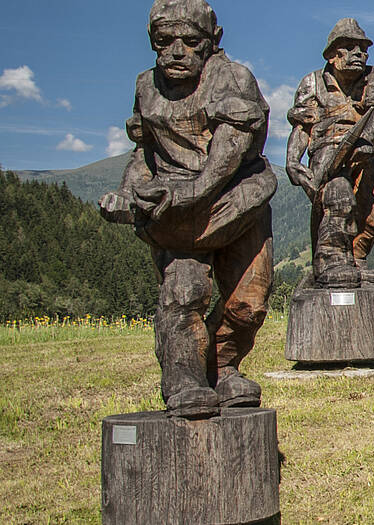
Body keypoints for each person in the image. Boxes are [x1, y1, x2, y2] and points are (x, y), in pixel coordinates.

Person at [99, 0, 274, 418]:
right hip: (176, 217)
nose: (176, 52)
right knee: (185, 292)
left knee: (249, 303)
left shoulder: (232, 79)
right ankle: (185, 380)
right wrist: (128, 192)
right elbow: (144, 152)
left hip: (237, 200)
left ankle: (223, 367)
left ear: (212, 43)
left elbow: (227, 155)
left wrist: (188, 192)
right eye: (164, 41)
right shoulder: (147, 87)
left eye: (190, 42)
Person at [286, 18, 374, 288]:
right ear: (332, 55)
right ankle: (331, 260)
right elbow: (302, 127)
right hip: (326, 151)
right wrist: (292, 160)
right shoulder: (312, 83)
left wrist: (363, 139)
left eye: (363, 49)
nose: (360, 54)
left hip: (364, 149)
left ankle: (357, 258)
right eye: (351, 48)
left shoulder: (373, 76)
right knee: (338, 198)